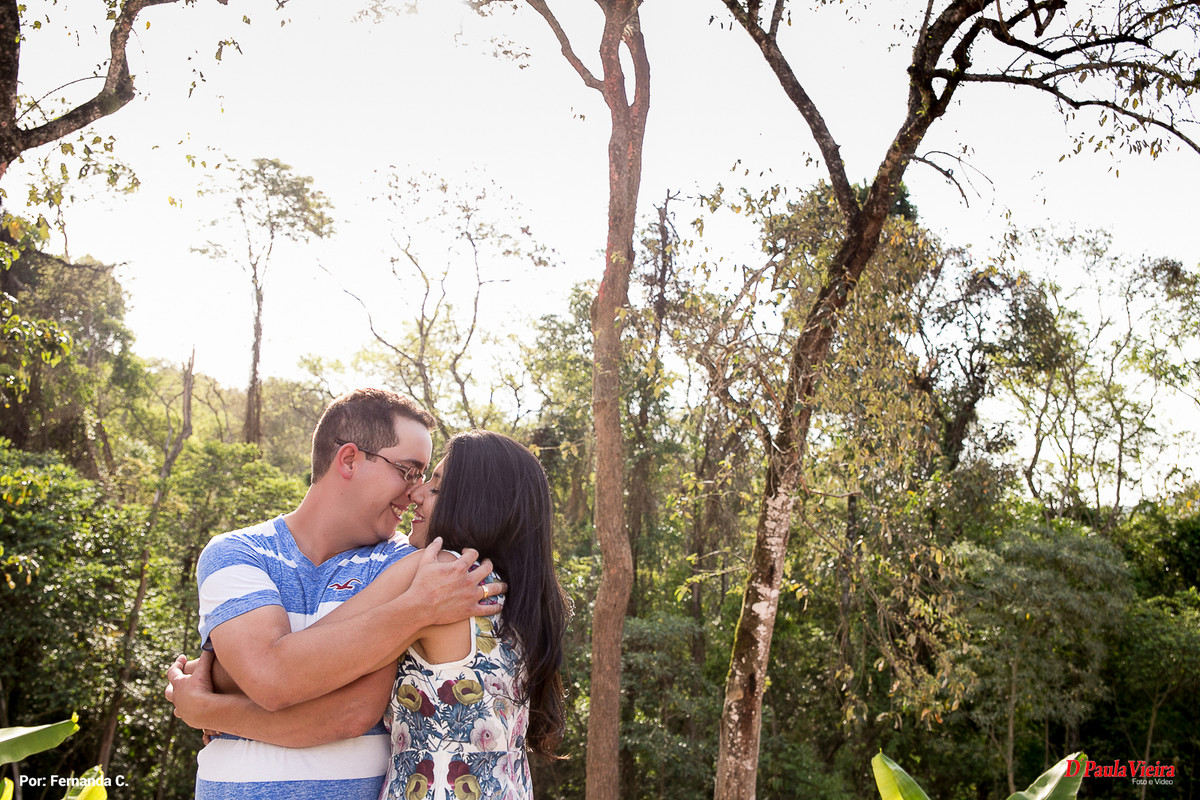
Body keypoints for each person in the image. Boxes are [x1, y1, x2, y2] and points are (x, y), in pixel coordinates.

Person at [168, 430, 568, 799]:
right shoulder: (518, 597)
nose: (417, 494)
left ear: (476, 503)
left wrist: (205, 704)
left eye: (436, 486)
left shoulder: (431, 572)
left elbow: (293, 661)